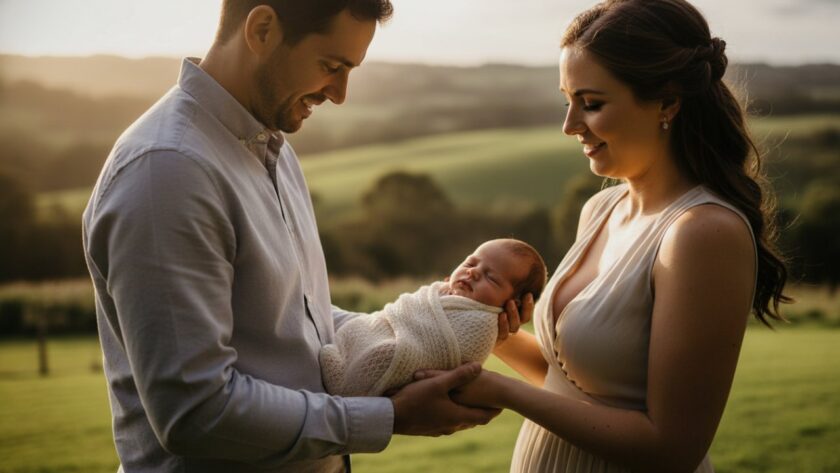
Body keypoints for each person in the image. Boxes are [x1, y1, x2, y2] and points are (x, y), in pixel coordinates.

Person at [81, 1, 532, 472]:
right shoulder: (168, 172)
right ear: (262, 30)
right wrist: (388, 416)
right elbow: (195, 412)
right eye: (332, 66)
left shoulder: (271, 149)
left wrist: (440, 324)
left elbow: (300, 319)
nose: (339, 94)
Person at [431, 1, 791, 472]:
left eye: (592, 104)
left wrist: (501, 390)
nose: (569, 126)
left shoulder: (703, 233)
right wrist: (490, 329)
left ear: (667, 102)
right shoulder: (601, 209)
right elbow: (569, 385)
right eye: (567, 101)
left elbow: (672, 448)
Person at [321, 238, 548, 397]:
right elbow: (408, 309)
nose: (473, 272)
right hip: (385, 330)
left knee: (384, 353)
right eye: (470, 263)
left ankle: (350, 378)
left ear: (513, 305)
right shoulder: (442, 291)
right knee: (366, 335)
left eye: (491, 278)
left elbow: (457, 349)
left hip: (404, 352)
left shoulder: (482, 325)